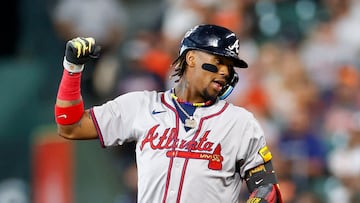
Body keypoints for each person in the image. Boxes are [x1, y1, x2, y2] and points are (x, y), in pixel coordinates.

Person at [54, 24, 282, 203]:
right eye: (219, 61)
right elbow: (70, 125)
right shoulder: (141, 105)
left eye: (229, 66)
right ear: (191, 58)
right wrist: (73, 69)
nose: (225, 71)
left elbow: (267, 188)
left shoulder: (240, 122)